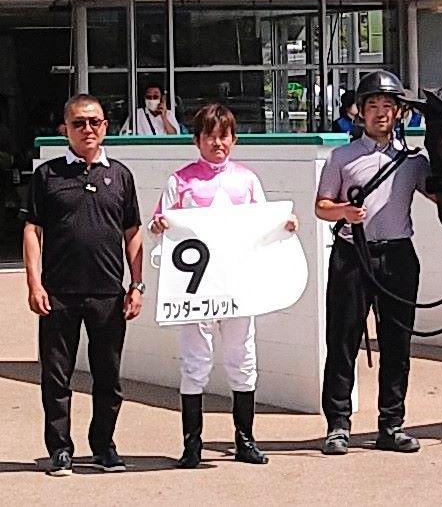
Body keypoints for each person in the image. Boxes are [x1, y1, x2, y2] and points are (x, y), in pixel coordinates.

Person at [149, 103, 298, 469]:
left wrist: (285, 224)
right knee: (194, 363)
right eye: (210, 136)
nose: (218, 143)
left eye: (224, 136)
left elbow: (265, 226)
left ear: (234, 139)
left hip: (237, 287)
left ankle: (245, 440)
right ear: (197, 140)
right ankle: (192, 445)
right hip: (195, 291)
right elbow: (161, 225)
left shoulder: (247, 180)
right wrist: (158, 228)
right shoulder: (180, 180)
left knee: (242, 360)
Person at [24, 94, 143, 476]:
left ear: (106, 126)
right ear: (66, 129)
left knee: (108, 376)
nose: (87, 129)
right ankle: (60, 449)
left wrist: (137, 284)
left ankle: (104, 446)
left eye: (94, 122)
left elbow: (133, 233)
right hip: (58, 293)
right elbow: (32, 229)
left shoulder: (121, 176)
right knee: (56, 376)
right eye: (79, 123)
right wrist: (33, 283)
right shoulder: (48, 175)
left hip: (108, 293)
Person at [315, 70, 431, 455]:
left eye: (387, 106)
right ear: (360, 113)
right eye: (373, 106)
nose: (380, 113)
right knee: (343, 339)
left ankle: (392, 422)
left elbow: (440, 193)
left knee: (398, 343)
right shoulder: (342, 157)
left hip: (398, 255)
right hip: (353, 255)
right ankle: (337, 423)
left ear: (398, 112)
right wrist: (344, 212)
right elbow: (321, 207)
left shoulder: (413, 161)